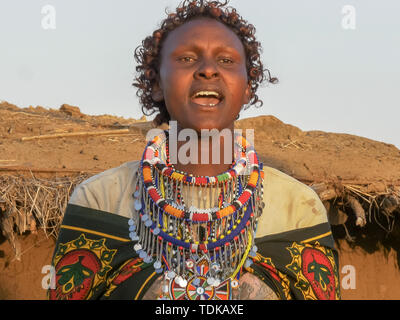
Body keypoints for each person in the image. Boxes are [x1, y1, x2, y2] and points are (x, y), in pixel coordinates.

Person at [48, 0, 341, 300]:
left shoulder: (297, 207)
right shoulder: (102, 199)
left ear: (247, 88)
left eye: (226, 61)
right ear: (156, 84)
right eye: (187, 59)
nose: (208, 70)